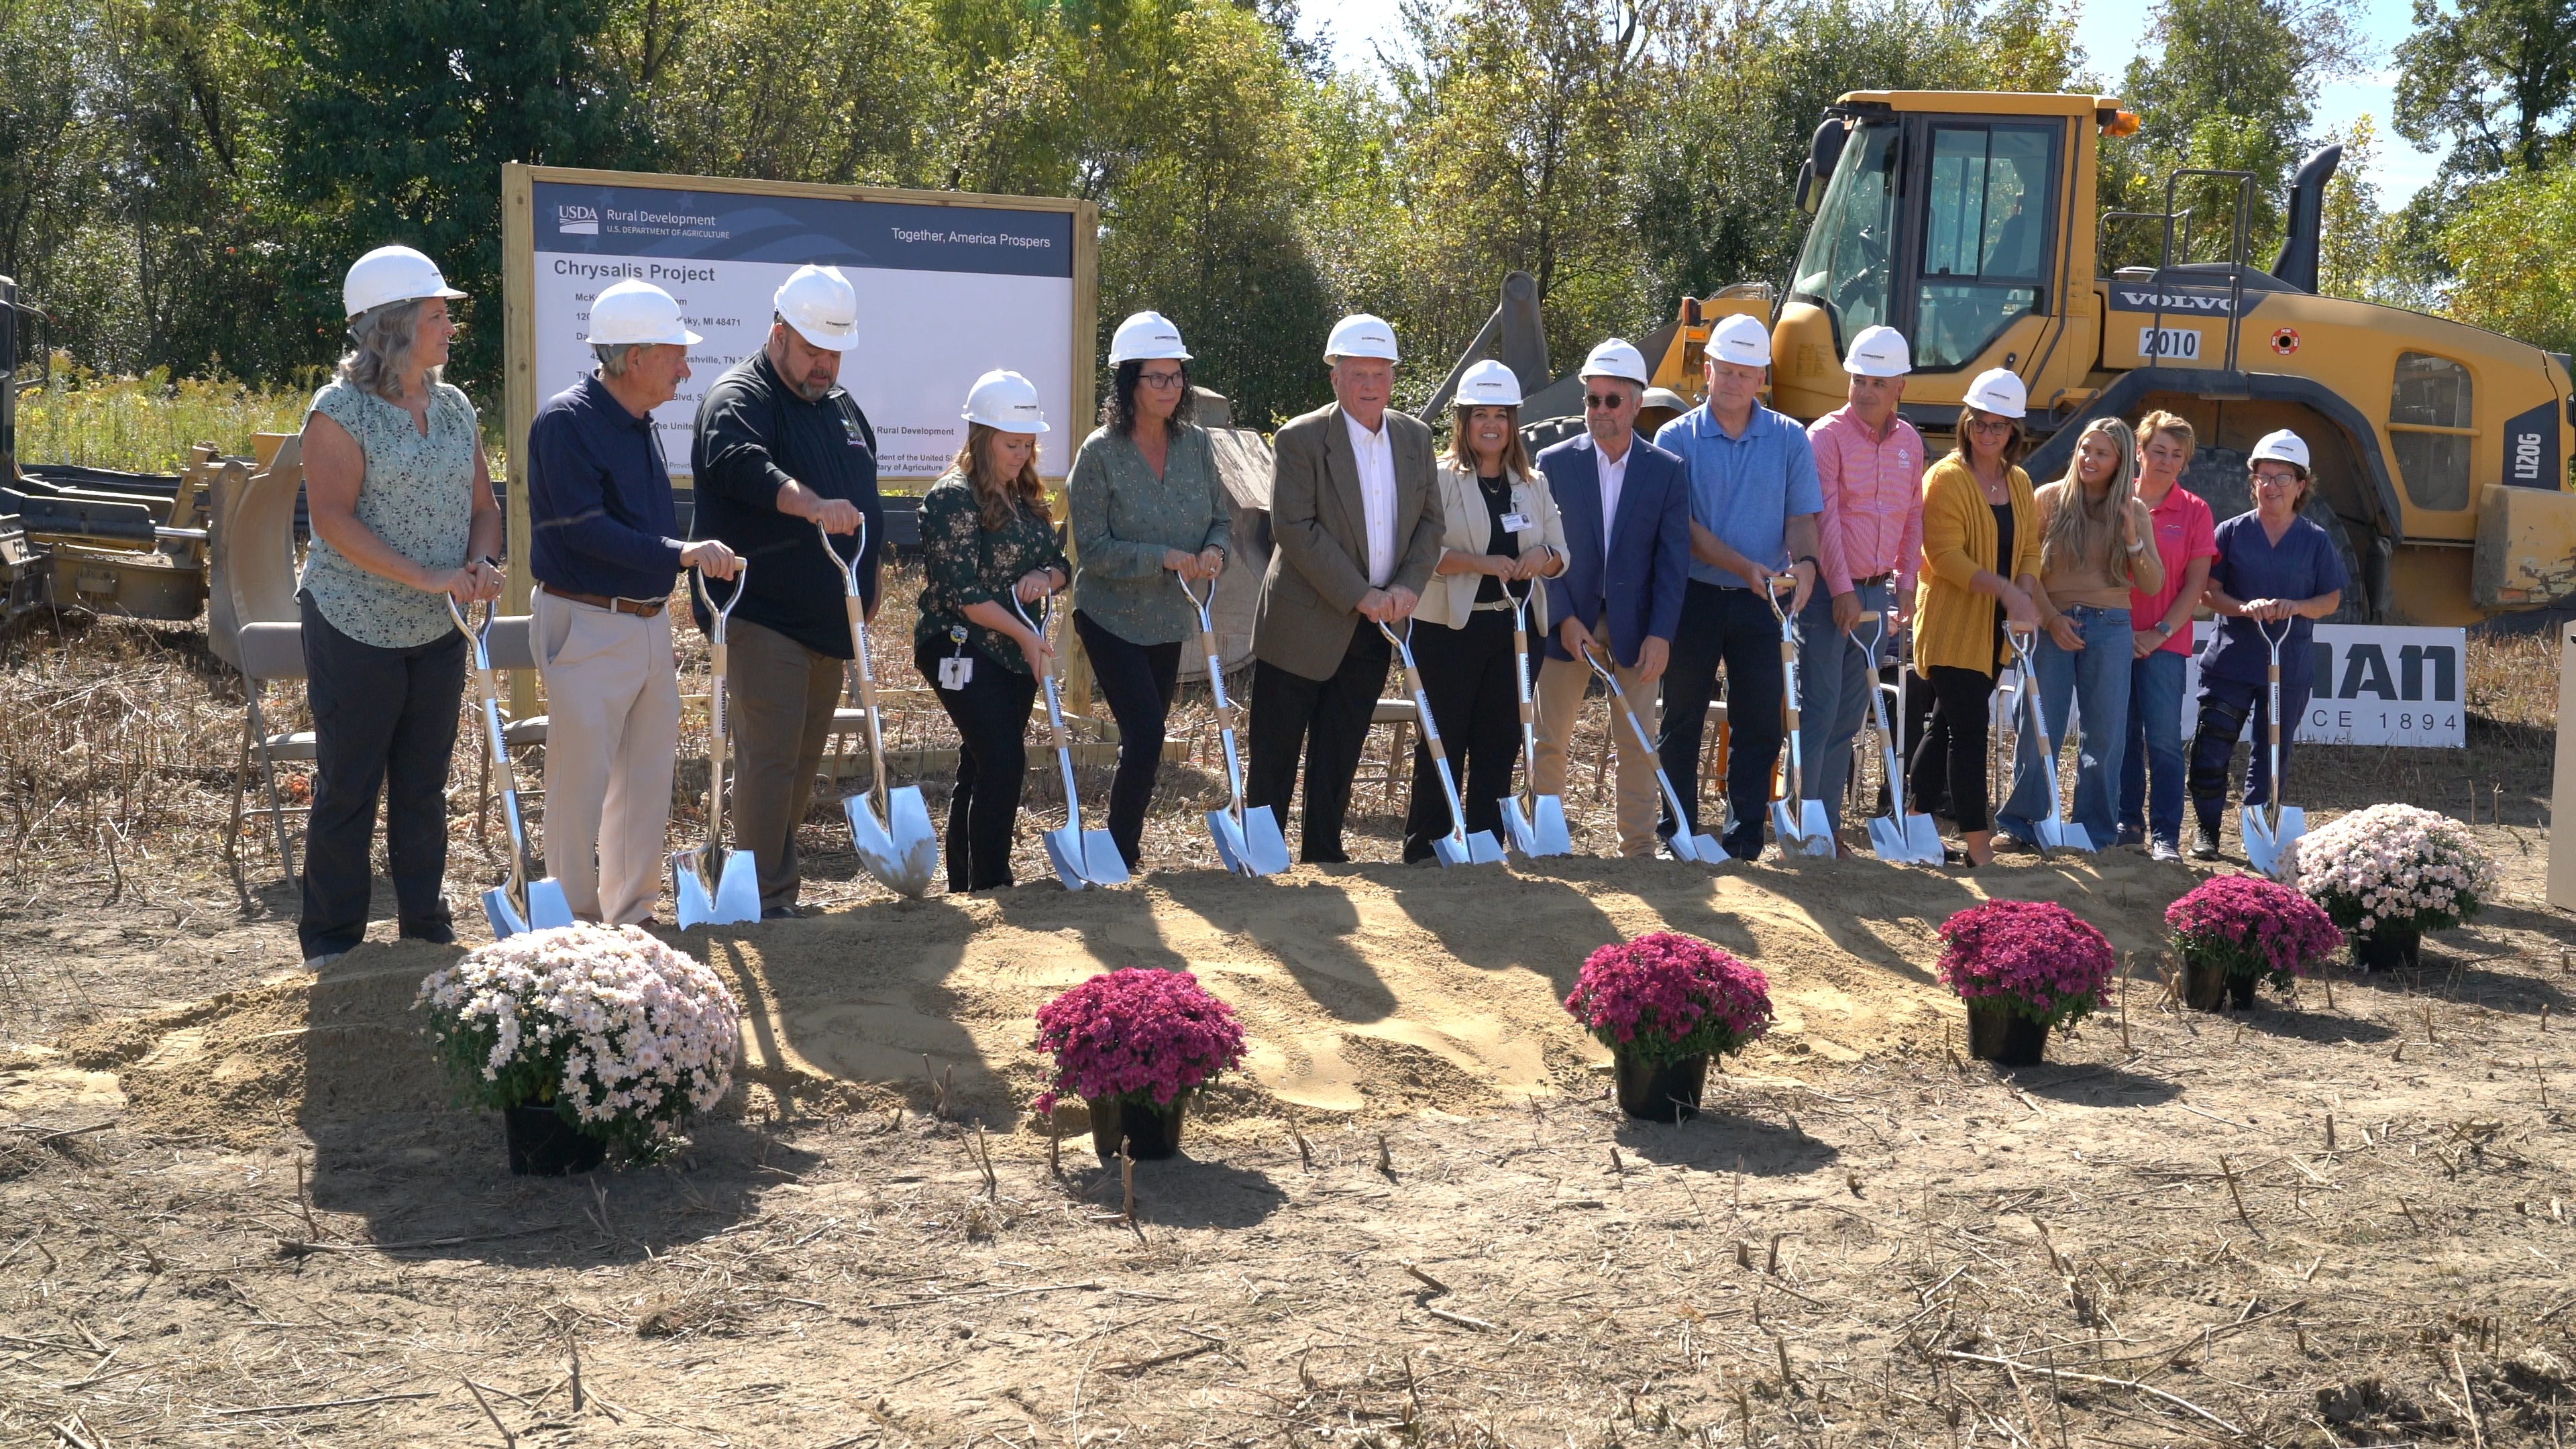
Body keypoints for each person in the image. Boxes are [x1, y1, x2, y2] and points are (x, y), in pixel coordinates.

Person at [292, 245, 502, 967]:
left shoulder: (454, 408)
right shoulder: (339, 412)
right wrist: (428, 576)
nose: (450, 329)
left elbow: (484, 508)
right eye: (438, 315)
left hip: (437, 626)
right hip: (354, 624)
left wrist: (479, 565)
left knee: (423, 785)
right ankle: (332, 942)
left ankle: (425, 929)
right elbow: (332, 522)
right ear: (391, 326)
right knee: (350, 784)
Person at [525, 280, 740, 925]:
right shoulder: (567, 423)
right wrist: (681, 553)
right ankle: (571, 928)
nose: (686, 367)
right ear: (638, 355)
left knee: (645, 782)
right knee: (579, 788)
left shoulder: (639, 423)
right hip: (585, 621)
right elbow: (583, 531)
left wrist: (673, 560)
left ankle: (632, 916)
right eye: (677, 352)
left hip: (644, 624)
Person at [688, 264, 884, 919]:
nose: (825, 365)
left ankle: (759, 882)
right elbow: (742, 466)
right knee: (771, 761)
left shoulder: (840, 407)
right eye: (812, 351)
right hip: (761, 613)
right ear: (778, 334)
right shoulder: (739, 396)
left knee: (799, 766)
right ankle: (764, 901)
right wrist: (811, 506)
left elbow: (867, 492)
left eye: (834, 351)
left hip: (829, 619)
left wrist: (871, 578)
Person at [1246, 314, 1444, 864]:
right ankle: (1261, 861)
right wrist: (1361, 593)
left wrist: (1407, 588)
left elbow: (1432, 524)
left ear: (1393, 377)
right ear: (1335, 376)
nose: (1369, 386)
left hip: (1376, 626)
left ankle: (1324, 859)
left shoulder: (1415, 438)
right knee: (1276, 755)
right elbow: (1293, 526)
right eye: (1357, 373)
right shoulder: (1302, 438)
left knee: (1340, 751)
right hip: (1303, 624)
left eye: (1380, 373)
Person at [1653, 313, 1823, 861]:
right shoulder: (1674, 437)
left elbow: (1801, 517)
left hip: (1765, 601)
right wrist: (1746, 567)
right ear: (1707, 371)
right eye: (1724, 371)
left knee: (1758, 721)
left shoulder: (1790, 438)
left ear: (1760, 379)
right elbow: (1681, 528)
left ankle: (1745, 836)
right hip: (1694, 597)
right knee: (1682, 717)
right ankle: (1677, 831)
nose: (1733, 382)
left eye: (1745, 373)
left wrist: (1810, 564)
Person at [1067, 311, 1232, 871]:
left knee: (1146, 741)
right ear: (1128, 382)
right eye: (1156, 377)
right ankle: (1120, 854)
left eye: (1176, 376)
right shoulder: (1099, 454)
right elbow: (1090, 548)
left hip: (1168, 617)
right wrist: (1157, 557)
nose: (1170, 387)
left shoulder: (1197, 446)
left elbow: (1220, 520)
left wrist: (1215, 552)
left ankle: (1118, 851)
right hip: (1109, 615)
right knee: (1146, 730)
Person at [1534, 339, 1693, 858]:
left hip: (1639, 626)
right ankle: (1547, 840)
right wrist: (1562, 618)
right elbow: (1539, 548)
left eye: (1611, 401)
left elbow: (1674, 561)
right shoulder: (1552, 464)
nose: (1599, 411)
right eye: (1592, 400)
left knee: (1638, 744)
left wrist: (1662, 633)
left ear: (1636, 404)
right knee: (1550, 737)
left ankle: (1639, 851)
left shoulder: (1667, 470)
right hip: (1570, 621)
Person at [914, 370, 1071, 890]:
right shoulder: (950, 499)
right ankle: (992, 883)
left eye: (1028, 444)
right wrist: (1028, 637)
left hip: (1011, 651)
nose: (1022, 454)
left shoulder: (1026, 496)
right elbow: (961, 592)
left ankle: (967, 883)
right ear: (981, 438)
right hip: (958, 643)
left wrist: (1041, 576)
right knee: (1004, 759)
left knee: (980, 762)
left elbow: (1062, 566)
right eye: (1011, 444)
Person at [1405, 359, 1567, 863]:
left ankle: (1484, 843)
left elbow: (1563, 554)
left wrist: (1542, 558)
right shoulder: (1438, 478)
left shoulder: (1533, 483)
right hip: (1449, 630)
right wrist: (1482, 563)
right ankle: (1428, 846)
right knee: (1444, 738)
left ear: (1514, 422)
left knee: (1500, 740)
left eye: (1501, 414)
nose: (1492, 424)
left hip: (1517, 630)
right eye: (1481, 415)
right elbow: (1421, 553)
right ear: (1463, 421)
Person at [1991, 418, 2162, 851]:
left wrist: (2132, 539)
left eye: (2101, 453)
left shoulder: (2134, 509)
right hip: (2052, 625)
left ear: (2120, 461)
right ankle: (2022, 823)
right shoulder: (2047, 499)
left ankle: (2094, 832)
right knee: (2037, 726)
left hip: (2111, 628)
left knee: (2103, 734)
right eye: (2085, 449)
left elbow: (2153, 584)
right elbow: (2025, 571)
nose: (2089, 458)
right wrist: (2050, 619)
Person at [2188, 429, 2347, 860]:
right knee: (2211, 747)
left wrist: (2294, 605)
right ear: (2253, 480)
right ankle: (2206, 831)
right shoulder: (2231, 532)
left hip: (2288, 666)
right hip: (2230, 663)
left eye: (2282, 477)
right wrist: (2244, 608)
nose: (2271, 485)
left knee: (2271, 753)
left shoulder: (2315, 540)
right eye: (2263, 475)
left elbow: (2329, 599)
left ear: (2300, 486)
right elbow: (2208, 593)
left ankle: (2259, 836)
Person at [1909, 368, 2044, 867]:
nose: (1988, 434)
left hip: (1994, 633)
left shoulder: (2019, 481)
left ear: (2014, 431)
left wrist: (2024, 595)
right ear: (1967, 423)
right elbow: (1944, 556)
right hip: (1952, 626)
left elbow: (2029, 549)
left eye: (1999, 426)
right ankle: (1979, 847)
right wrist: (2009, 593)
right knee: (1970, 731)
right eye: (1980, 423)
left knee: (1944, 726)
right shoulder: (1945, 479)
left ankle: (1917, 824)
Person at [1803, 324, 1925, 851]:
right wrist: (1842, 587)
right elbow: (1823, 518)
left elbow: (1912, 513)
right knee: (1820, 707)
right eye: (1858, 380)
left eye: (1878, 382)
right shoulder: (1825, 436)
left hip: (1875, 594)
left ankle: (1825, 825)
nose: (1866, 391)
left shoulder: (1910, 442)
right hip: (1832, 594)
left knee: (1850, 713)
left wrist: (1908, 582)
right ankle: (1808, 823)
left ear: (1899, 385)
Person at [2117, 411, 2218, 860]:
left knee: (2161, 740)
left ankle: (2165, 836)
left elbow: (2196, 585)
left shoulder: (2195, 511)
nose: (2166, 460)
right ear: (2139, 451)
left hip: (2164, 644)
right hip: (2112, 640)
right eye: (2158, 450)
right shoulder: (2113, 499)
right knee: (2119, 737)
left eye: (2177, 455)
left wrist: (2159, 633)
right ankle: (2125, 824)